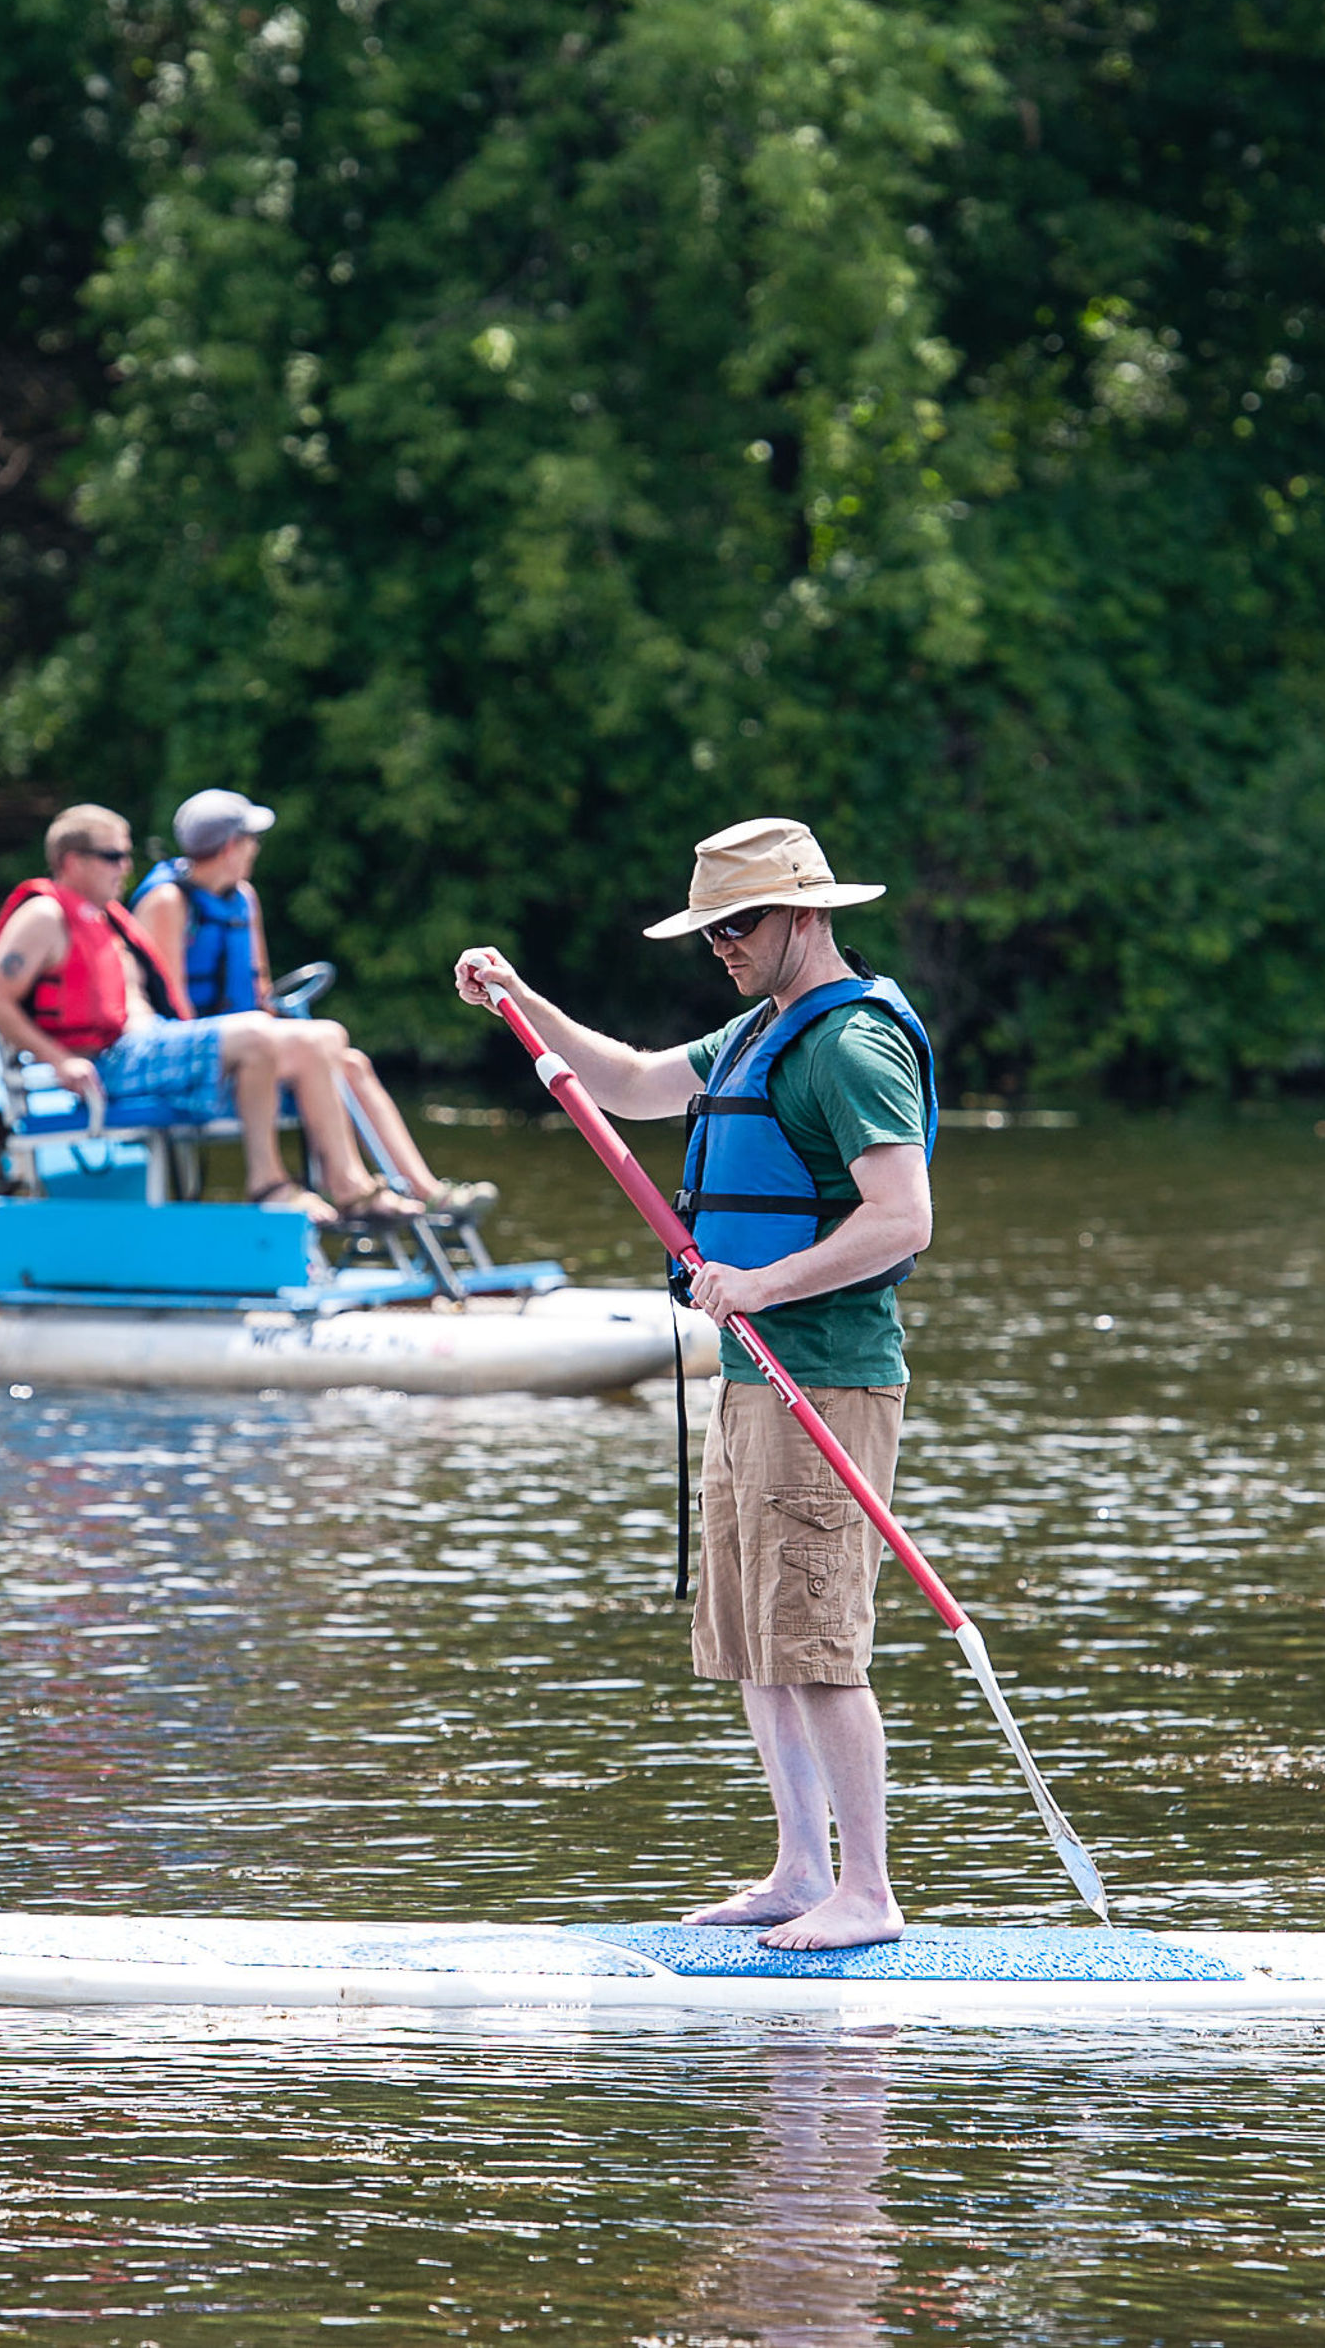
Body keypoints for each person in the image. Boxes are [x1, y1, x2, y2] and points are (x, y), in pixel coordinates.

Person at [452, 817, 935, 1950]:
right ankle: (799, 1867)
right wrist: (522, 999)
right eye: (711, 926)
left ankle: (867, 1887)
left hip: (828, 1377)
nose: (722, 942)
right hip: (751, 1382)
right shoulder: (757, 1029)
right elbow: (624, 1083)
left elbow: (903, 1217)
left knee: (816, 1640)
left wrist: (763, 1281)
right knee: (753, 1637)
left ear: (807, 916)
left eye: (742, 922)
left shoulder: (849, 1046)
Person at [0, 803, 418, 1226]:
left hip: (145, 1049)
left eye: (127, 855)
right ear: (71, 861)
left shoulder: (104, 919)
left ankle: (351, 1186)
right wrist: (60, 1060)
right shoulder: (44, 915)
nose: (125, 867)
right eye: (112, 856)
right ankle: (268, 1184)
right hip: (106, 1068)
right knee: (256, 1034)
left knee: (321, 1037)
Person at [135, 787, 494, 1218]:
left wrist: (272, 1027)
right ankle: (344, 1186)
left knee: (351, 1062)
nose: (255, 850)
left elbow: (260, 987)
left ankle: (424, 1191)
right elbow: (171, 1003)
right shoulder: (167, 902)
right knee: (322, 1037)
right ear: (231, 846)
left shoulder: (242, 897)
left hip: (248, 1046)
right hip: (196, 1056)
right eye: (252, 840)